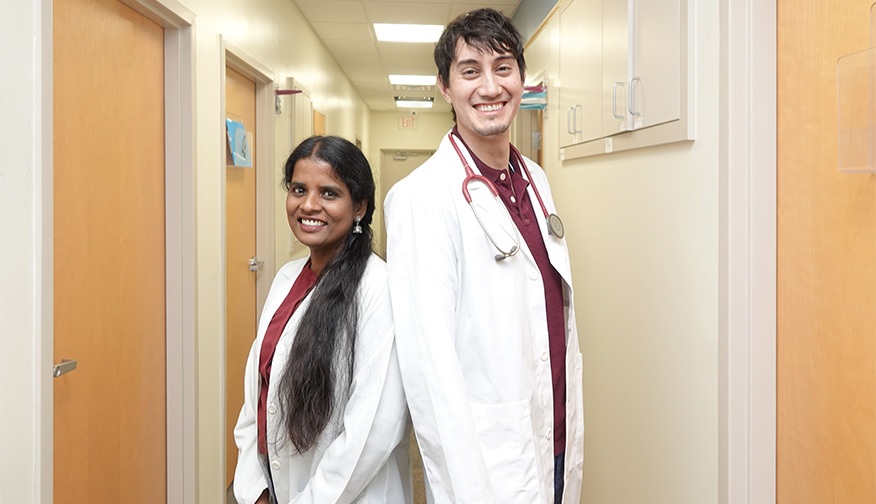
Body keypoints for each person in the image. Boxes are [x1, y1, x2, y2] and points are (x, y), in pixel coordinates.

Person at [384, 8, 583, 504]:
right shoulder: (422, 197)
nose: (490, 87)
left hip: (553, 435)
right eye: (470, 71)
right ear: (446, 88)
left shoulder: (535, 180)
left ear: (521, 77)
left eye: (503, 68)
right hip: (487, 463)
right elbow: (430, 372)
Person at [233, 136, 411, 504]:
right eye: (299, 189)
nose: (309, 205)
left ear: (359, 206)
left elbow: (373, 432)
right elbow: (257, 398)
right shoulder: (285, 279)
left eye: (329, 193)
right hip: (273, 489)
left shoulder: (380, 290)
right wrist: (255, 490)